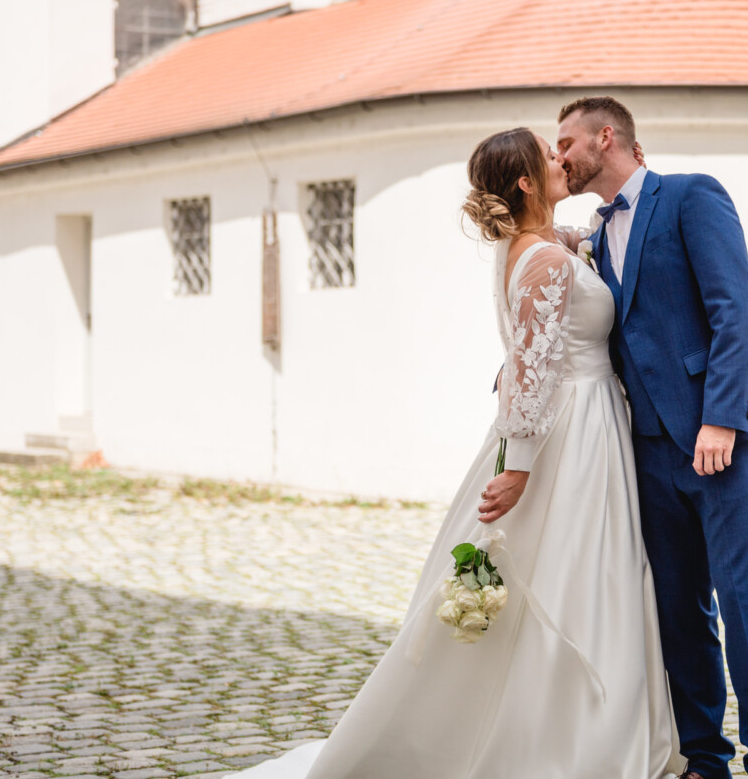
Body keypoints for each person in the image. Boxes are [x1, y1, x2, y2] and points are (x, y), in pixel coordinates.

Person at [223, 128, 683, 778]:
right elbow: (531, 369)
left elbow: (541, 323)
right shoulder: (545, 261)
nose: (560, 162)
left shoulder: (539, 246)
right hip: (570, 431)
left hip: (586, 422)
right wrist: (519, 467)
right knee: (580, 571)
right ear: (524, 181)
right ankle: (572, 741)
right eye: (548, 157)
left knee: (581, 570)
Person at [555, 96, 748, 779]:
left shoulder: (692, 196)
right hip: (648, 450)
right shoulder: (596, 234)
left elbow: (735, 306)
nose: (560, 155)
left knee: (747, 607)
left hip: (723, 441)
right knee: (679, 613)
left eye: (567, 141)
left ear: (609, 137)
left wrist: (721, 415)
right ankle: (705, 759)